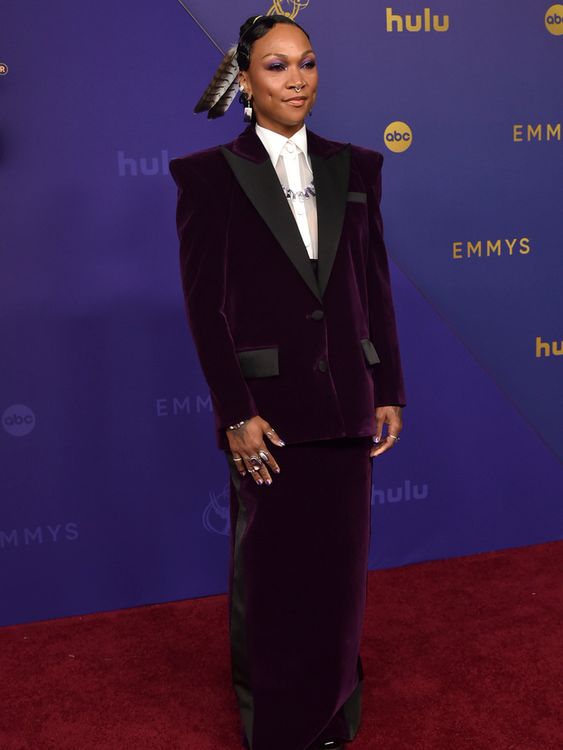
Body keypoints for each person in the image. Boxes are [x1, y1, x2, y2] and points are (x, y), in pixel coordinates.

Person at [169, 14, 406, 750]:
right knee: (272, 580)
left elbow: (374, 282)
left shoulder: (356, 167)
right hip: (266, 412)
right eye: (276, 66)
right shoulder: (206, 177)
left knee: (339, 576)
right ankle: (276, 727)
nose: (295, 79)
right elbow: (204, 306)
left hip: (347, 402)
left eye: (305, 63)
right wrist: (234, 411)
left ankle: (332, 715)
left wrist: (388, 386)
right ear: (245, 80)